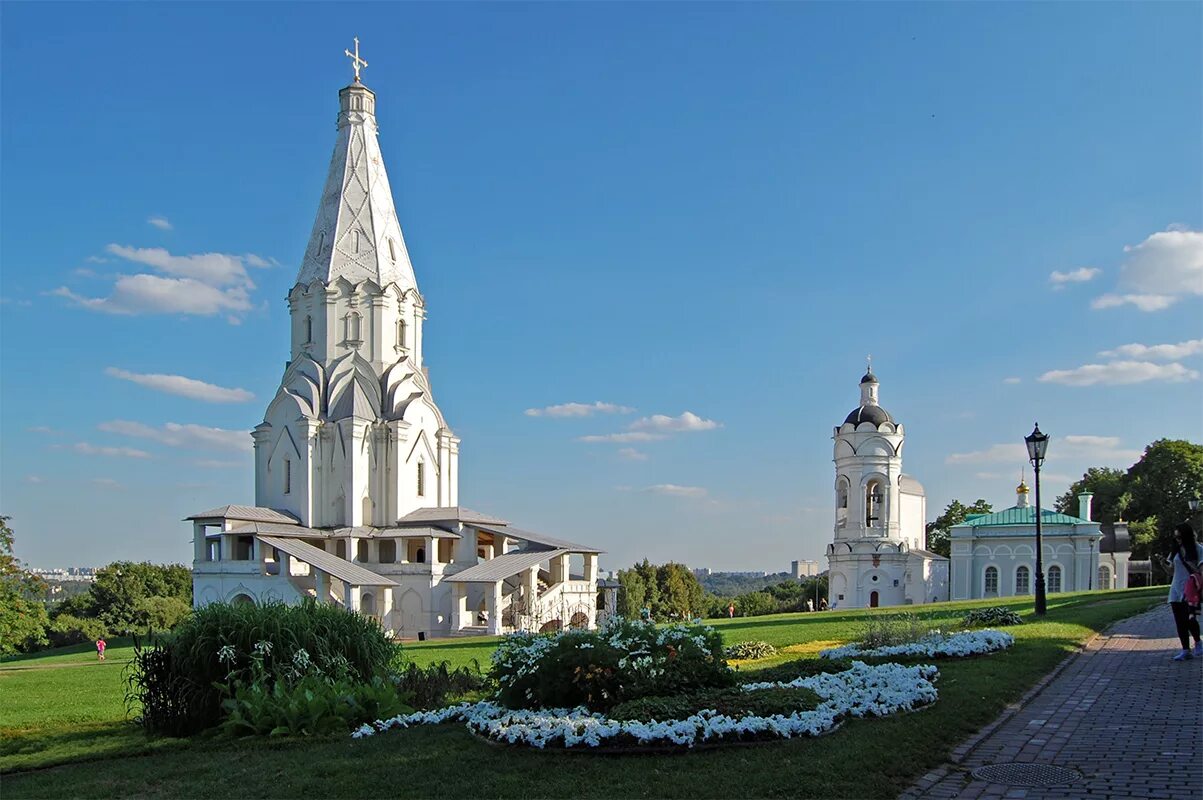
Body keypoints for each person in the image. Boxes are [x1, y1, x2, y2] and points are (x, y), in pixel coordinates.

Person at [1166, 522, 1203, 661]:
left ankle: (1198, 642)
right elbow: (1171, 571)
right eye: (1176, 538)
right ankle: (1185, 650)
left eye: (1180, 537)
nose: (1178, 540)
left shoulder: (1198, 549)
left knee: (1189, 619)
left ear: (1187, 536)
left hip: (1191, 588)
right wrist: (1163, 564)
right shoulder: (1176, 550)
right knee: (1179, 621)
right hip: (1176, 588)